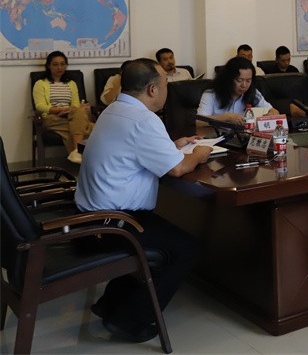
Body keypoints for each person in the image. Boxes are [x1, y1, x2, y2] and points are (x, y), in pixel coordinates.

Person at [74, 58, 212, 343]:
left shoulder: (115, 109)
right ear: (152, 89)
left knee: (159, 234)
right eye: (165, 84)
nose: (167, 90)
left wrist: (172, 146)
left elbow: (132, 149)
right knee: (187, 248)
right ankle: (129, 320)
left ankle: (111, 304)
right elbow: (178, 169)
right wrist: (200, 154)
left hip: (91, 216)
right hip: (111, 225)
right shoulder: (144, 119)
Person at [32, 50, 93, 163]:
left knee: (79, 113)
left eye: (62, 64)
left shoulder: (71, 83)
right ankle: (82, 153)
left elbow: (75, 104)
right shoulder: (40, 83)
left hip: (70, 115)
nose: (59, 67)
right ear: (48, 66)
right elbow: (40, 106)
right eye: (55, 64)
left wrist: (69, 110)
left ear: (66, 65)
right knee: (91, 127)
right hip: (52, 117)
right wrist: (57, 110)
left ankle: (77, 153)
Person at [197, 56, 277, 127]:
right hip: (217, 137)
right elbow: (199, 121)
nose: (244, 85)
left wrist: (271, 114)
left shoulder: (253, 93)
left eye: (248, 81)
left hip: (243, 137)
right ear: (229, 78)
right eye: (239, 80)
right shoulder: (211, 94)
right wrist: (227, 117)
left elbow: (274, 111)